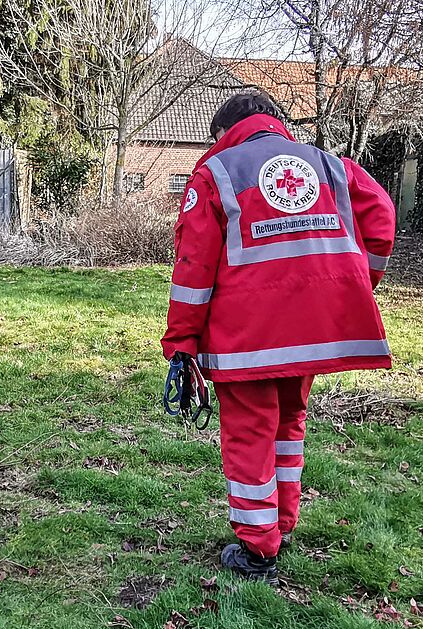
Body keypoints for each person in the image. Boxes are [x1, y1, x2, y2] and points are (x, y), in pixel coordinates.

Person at [161, 91, 396, 584]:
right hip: (313, 333)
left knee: (249, 434)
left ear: (223, 131)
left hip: (246, 336)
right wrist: (353, 284)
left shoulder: (216, 173)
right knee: (289, 426)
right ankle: (281, 524)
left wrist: (182, 342)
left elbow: (193, 269)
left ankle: (256, 549)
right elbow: (381, 217)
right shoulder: (330, 165)